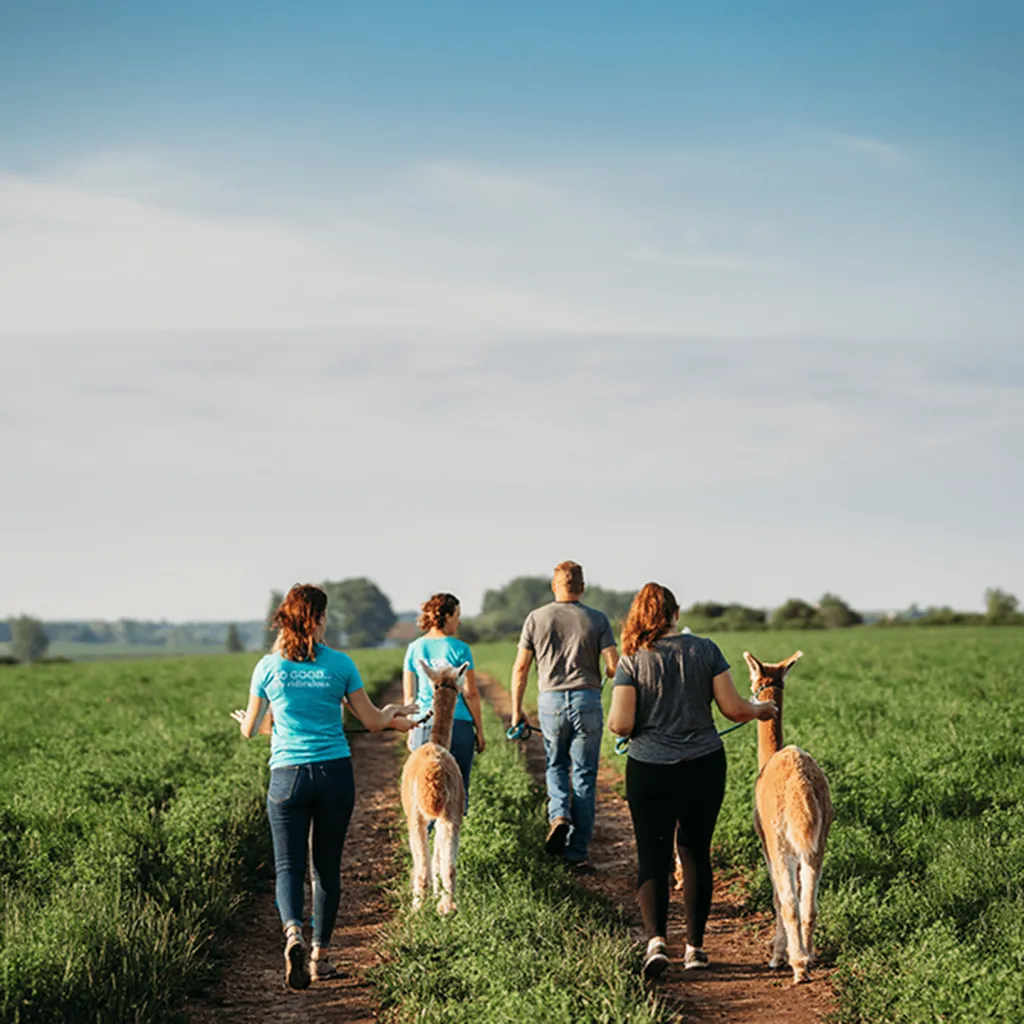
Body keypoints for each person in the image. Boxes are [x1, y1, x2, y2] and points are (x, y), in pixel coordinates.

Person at [232, 583, 417, 990]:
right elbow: (370, 722)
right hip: (333, 772)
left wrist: (254, 718)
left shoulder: (268, 668)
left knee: (287, 865)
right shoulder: (339, 664)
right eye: (326, 615)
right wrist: (393, 714)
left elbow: (250, 731)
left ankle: (293, 932)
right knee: (326, 866)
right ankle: (320, 956)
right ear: (316, 619)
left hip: (287, 775)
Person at [607, 582, 778, 979]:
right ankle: (696, 949)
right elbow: (733, 709)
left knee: (653, 855)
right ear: (675, 613)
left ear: (639, 616)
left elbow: (623, 722)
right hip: (703, 765)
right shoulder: (706, 650)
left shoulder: (632, 659)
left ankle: (655, 944)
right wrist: (762, 710)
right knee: (695, 852)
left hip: (649, 770)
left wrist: (623, 730)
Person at [510, 561, 618, 872]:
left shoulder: (536, 618)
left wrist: (517, 711)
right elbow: (614, 665)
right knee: (584, 775)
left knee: (556, 765)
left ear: (554, 586)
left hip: (551, 703)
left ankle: (558, 815)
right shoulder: (596, 619)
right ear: (581, 587)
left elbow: (520, 668)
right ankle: (577, 853)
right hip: (587, 699)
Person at [403, 593, 484, 811]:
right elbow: (471, 694)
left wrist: (411, 730)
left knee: (425, 791)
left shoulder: (414, 648)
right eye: (457, 615)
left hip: (424, 725)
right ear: (447, 616)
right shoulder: (460, 649)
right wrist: (480, 730)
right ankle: (451, 842)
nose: (459, 621)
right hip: (459, 726)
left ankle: (425, 838)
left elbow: (409, 697)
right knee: (456, 793)